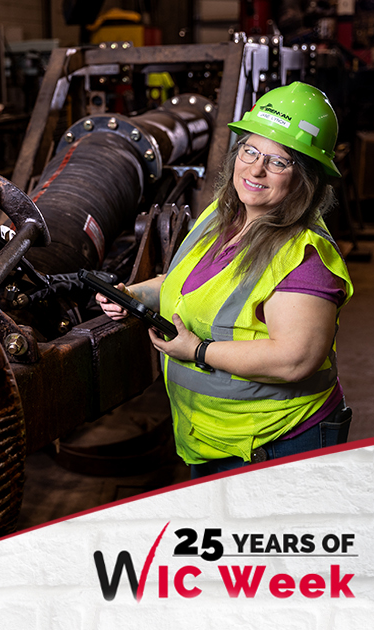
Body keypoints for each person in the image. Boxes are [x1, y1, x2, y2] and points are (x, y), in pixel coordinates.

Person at [97, 82, 353, 477]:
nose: (256, 168)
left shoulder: (304, 256)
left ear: (306, 177)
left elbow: (295, 359)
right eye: (250, 150)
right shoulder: (220, 216)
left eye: (279, 161)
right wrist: (134, 295)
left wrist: (197, 351)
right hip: (214, 439)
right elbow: (183, 284)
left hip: (277, 443)